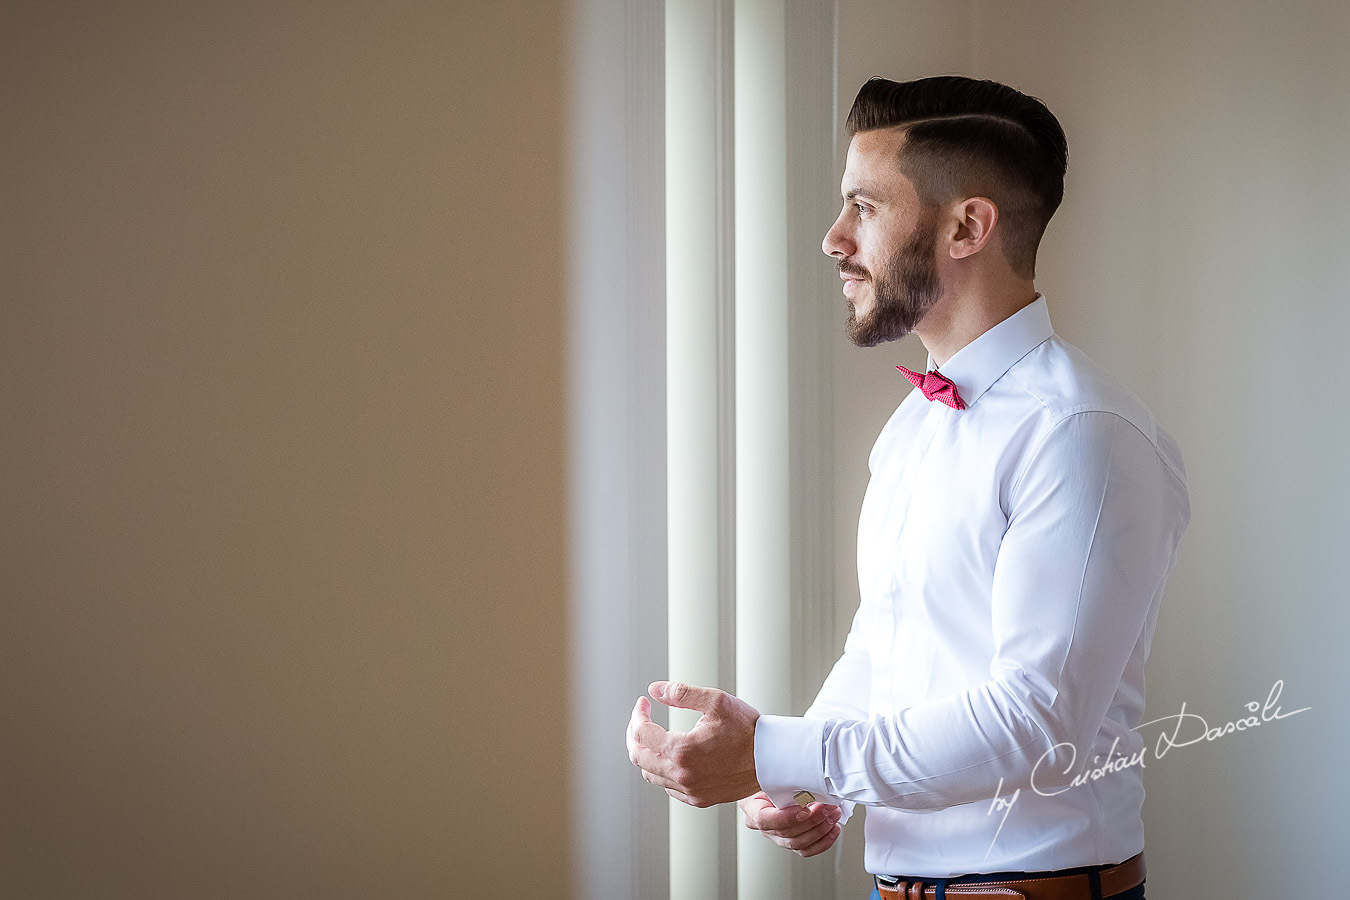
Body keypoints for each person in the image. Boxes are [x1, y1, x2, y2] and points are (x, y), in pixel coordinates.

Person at [626, 75, 1188, 900]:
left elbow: (1035, 723)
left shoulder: (1081, 433)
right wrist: (802, 783)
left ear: (968, 226)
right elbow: (888, 644)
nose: (832, 238)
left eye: (863, 206)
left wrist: (776, 749)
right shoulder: (911, 429)